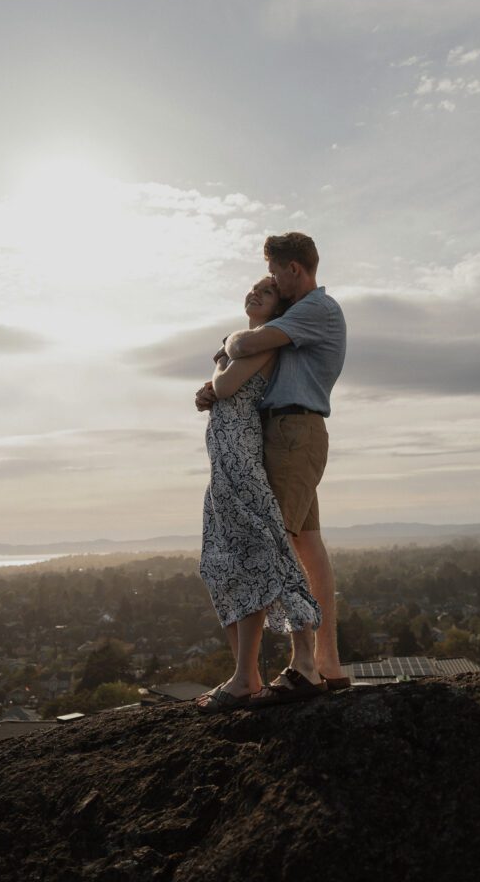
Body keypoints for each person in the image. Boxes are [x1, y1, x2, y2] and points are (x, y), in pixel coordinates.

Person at [196, 232, 348, 699]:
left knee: (271, 543)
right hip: (284, 432)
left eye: (276, 274)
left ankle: (289, 668)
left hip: (292, 432)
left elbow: (249, 345)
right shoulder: (303, 313)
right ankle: (325, 663)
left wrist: (229, 341)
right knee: (307, 545)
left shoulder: (313, 309)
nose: (274, 284)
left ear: (294, 270)